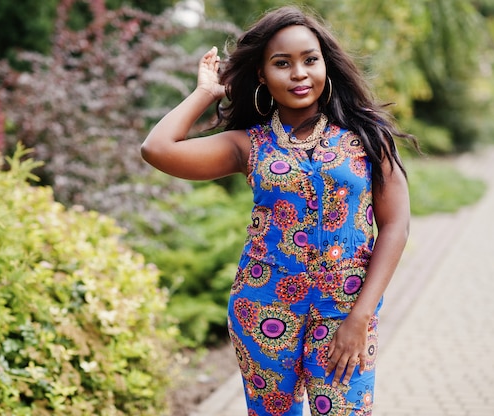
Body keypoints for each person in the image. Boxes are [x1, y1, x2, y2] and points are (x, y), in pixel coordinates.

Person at [142, 5, 416, 415]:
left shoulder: (366, 134)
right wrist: (206, 93)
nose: (299, 73)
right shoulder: (247, 145)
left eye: (310, 60)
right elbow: (157, 149)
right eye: (282, 63)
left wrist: (360, 317)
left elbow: (395, 225)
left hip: (344, 310)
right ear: (262, 75)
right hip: (264, 308)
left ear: (326, 64)